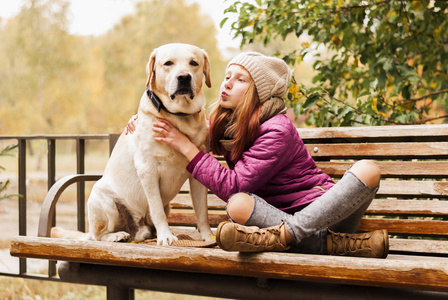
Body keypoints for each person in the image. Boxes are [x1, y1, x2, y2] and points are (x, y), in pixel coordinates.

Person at [126, 52, 388, 258]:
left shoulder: (277, 130)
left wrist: (185, 146)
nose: (227, 84)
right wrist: (144, 118)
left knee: (367, 170)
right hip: (273, 219)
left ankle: (288, 238)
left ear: (258, 92)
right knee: (238, 205)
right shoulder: (228, 125)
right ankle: (334, 246)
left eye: (240, 80)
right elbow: (187, 127)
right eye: (227, 76)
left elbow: (233, 184)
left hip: (326, 216)